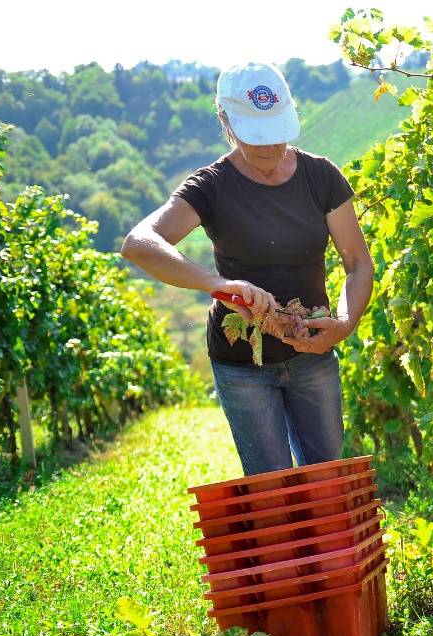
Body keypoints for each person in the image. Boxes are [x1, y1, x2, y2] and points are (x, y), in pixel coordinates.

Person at [121, 62, 373, 476]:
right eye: (256, 140)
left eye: (276, 136)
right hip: (242, 366)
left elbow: (358, 262)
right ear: (225, 121)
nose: (270, 150)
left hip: (312, 355)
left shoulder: (321, 176)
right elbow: (140, 244)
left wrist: (343, 323)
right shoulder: (210, 186)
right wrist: (219, 286)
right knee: (270, 485)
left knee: (327, 477)